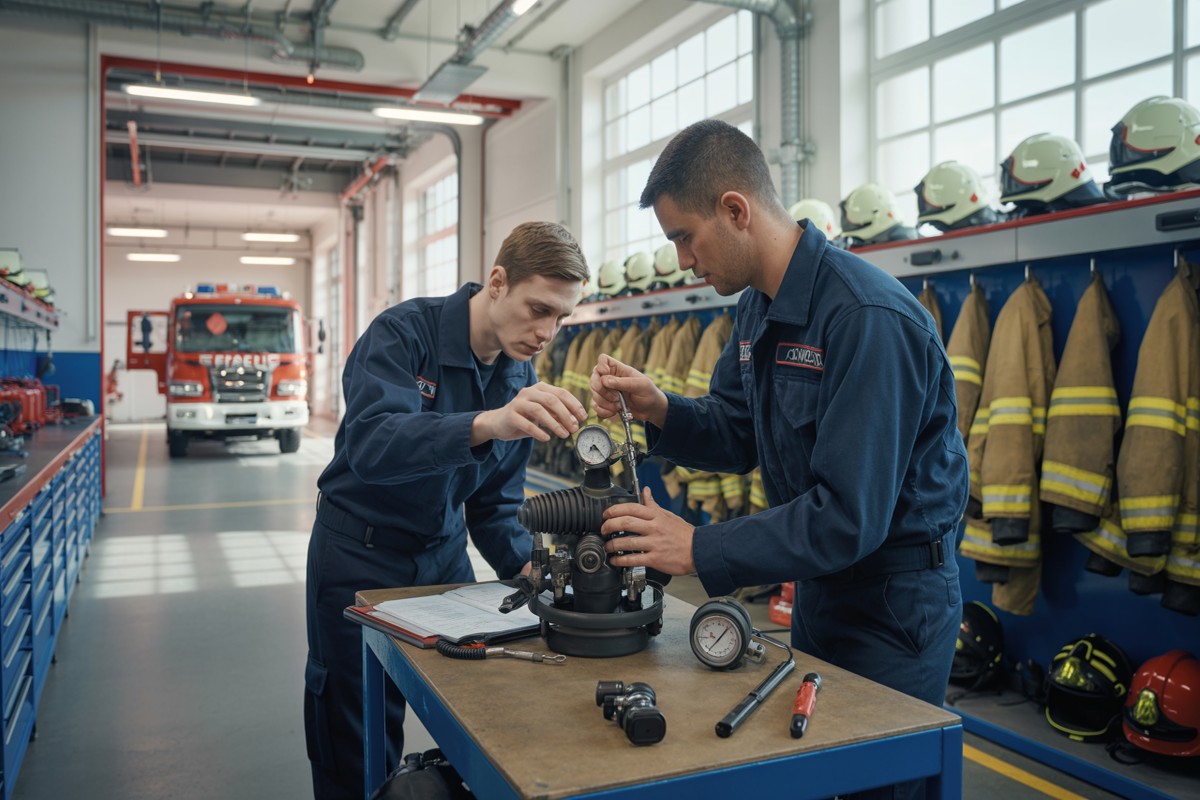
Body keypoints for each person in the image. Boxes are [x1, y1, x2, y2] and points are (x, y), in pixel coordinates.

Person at [590, 120, 967, 799]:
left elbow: (848, 515)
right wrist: (660, 409)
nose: (680, 261)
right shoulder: (759, 312)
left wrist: (700, 547)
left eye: (684, 236)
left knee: (876, 786)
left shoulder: (865, 319)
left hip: (893, 608)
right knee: (818, 776)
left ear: (736, 210)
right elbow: (740, 432)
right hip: (824, 590)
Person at [305, 221, 590, 800]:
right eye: (538, 308)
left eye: (561, 319)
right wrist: (486, 423)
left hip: (443, 557)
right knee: (354, 725)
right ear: (497, 281)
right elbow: (372, 444)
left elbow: (496, 504)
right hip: (358, 555)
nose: (545, 333)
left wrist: (530, 569)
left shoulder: (518, 374)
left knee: (473, 711)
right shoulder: (403, 334)